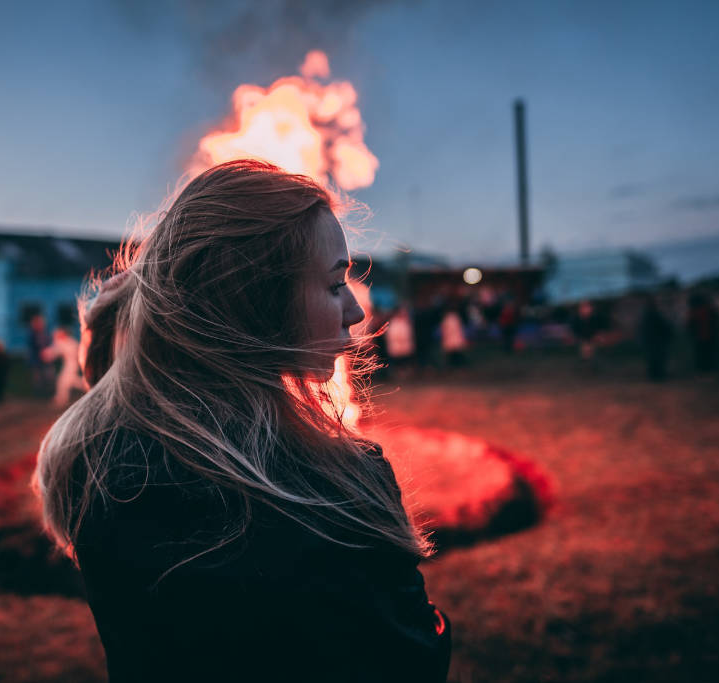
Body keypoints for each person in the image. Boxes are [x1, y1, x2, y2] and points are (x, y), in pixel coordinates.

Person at [34, 160, 451, 682]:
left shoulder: (94, 461)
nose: (355, 311)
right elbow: (411, 662)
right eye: (333, 284)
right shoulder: (337, 490)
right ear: (256, 304)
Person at [40, 326, 83, 406]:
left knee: (64, 381)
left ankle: (61, 398)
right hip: (70, 363)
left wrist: (47, 354)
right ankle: (62, 398)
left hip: (72, 364)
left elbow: (55, 351)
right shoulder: (66, 342)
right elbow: (55, 350)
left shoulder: (69, 342)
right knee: (71, 381)